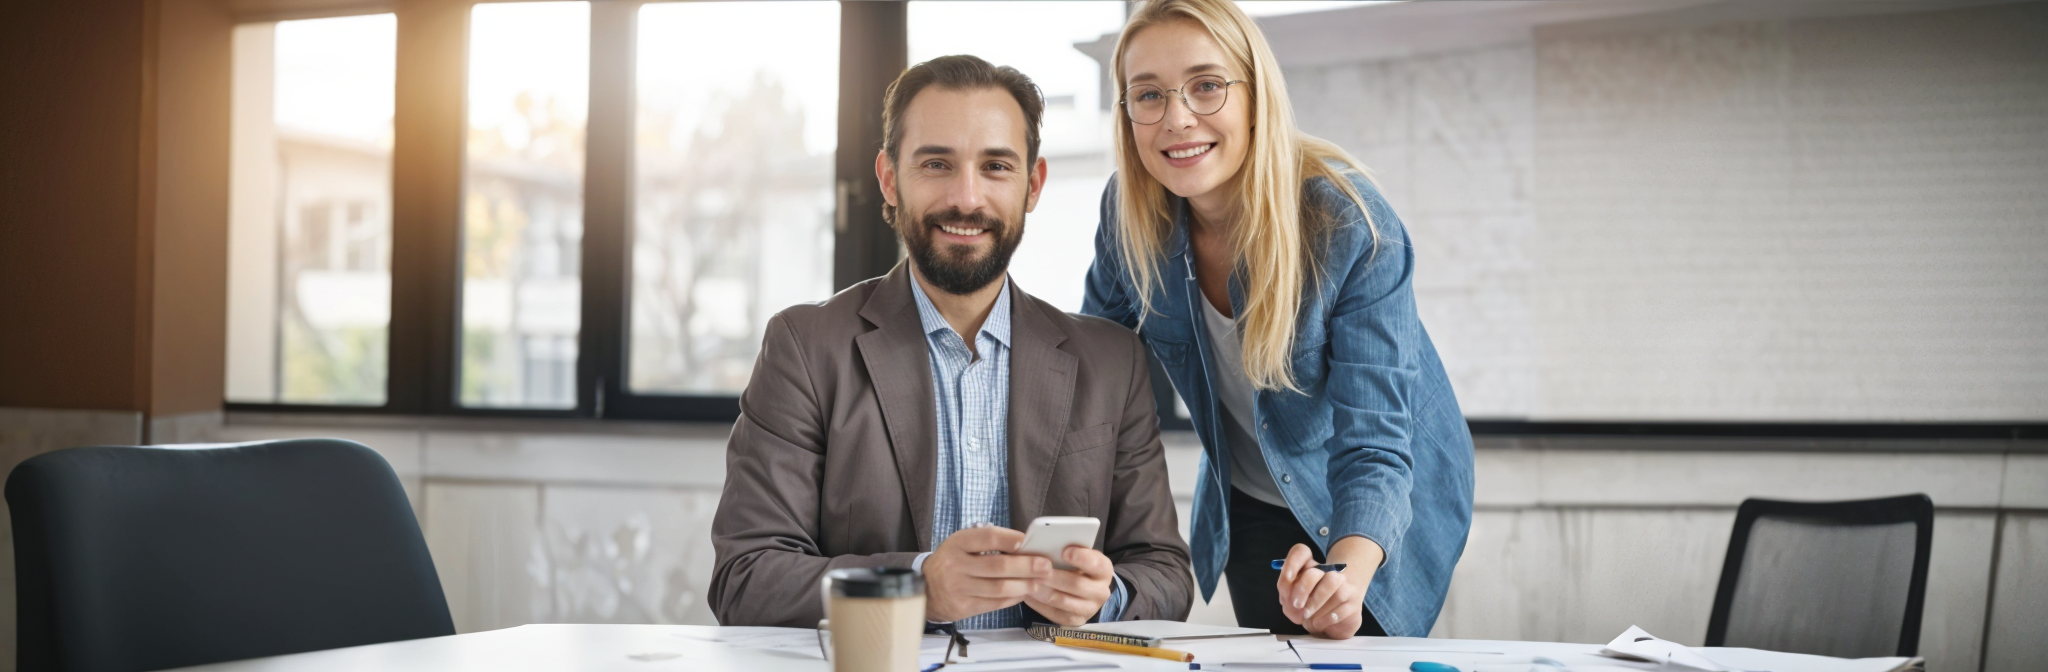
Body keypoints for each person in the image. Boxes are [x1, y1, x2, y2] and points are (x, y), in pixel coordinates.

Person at [710, 55, 1192, 630]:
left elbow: (1165, 573)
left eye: (995, 166)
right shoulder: (805, 348)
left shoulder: (1113, 362)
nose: (967, 198)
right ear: (890, 179)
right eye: (937, 163)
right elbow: (745, 578)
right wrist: (916, 587)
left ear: (1032, 185)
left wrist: (1105, 596)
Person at [1082, 0, 1475, 639]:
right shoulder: (1127, 215)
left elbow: (1375, 445)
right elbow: (1090, 371)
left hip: (1378, 504)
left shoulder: (1349, 225)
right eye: (1147, 95)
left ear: (1255, 93)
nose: (1177, 119)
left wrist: (1344, 578)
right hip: (1252, 498)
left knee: (1348, 641)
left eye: (1206, 86)